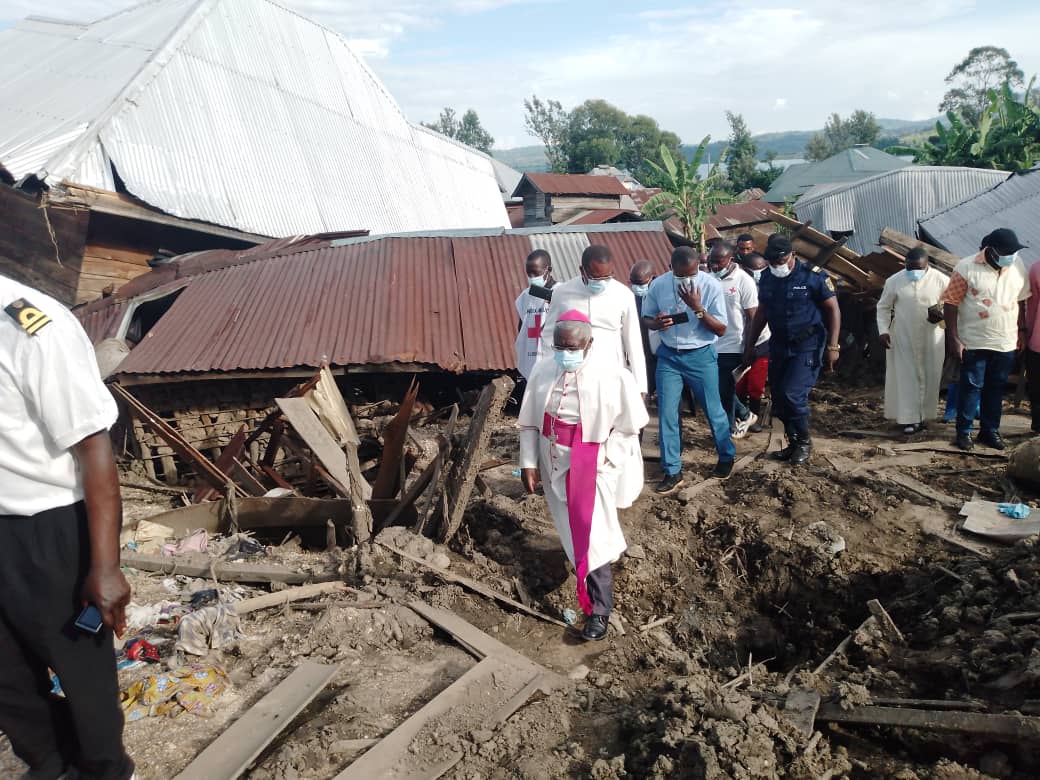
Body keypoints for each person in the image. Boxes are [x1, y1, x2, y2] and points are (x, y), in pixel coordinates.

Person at [0, 274, 134, 780]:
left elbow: (94, 448)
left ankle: (106, 771)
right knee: (7, 680)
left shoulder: (30, 325)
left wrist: (105, 566)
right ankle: (52, 765)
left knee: (83, 679)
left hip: (48, 530)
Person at [519, 311, 648, 641]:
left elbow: (630, 427)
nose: (565, 353)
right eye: (560, 346)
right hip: (553, 460)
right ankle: (582, 579)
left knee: (593, 536)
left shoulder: (613, 375)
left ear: (589, 344)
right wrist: (528, 463)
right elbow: (531, 423)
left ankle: (600, 610)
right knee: (571, 530)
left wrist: (606, 456)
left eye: (573, 347)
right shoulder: (544, 369)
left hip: (591, 461)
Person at [642, 246, 736, 492]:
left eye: (692, 274)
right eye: (681, 276)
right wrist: (656, 322)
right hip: (669, 357)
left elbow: (721, 329)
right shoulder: (659, 285)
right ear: (671, 268)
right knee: (667, 413)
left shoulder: (711, 285)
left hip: (701, 355)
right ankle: (672, 470)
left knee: (713, 410)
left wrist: (697, 307)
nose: (687, 280)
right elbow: (646, 318)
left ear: (698, 268)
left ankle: (726, 456)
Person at [743, 234, 841, 465]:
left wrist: (833, 346)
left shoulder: (812, 277)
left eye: (780, 260)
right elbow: (762, 314)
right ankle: (793, 442)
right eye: (772, 261)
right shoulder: (767, 278)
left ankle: (805, 443)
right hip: (779, 344)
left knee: (792, 394)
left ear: (792, 255)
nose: (777, 265)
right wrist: (750, 344)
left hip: (807, 344)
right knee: (779, 397)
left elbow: (833, 310)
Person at [942, 228, 1031, 451]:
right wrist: (953, 338)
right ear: (991, 251)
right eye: (1007, 252)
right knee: (971, 387)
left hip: (1006, 341)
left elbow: (1021, 301)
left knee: (996, 387)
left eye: (1014, 252)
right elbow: (950, 303)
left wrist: (1021, 330)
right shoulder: (966, 267)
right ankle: (964, 432)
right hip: (974, 340)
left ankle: (990, 431)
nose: (1011, 256)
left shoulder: (1017, 266)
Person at [541, 244, 647, 396]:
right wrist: (549, 371)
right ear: (581, 270)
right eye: (595, 277)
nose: (601, 282)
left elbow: (633, 342)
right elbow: (548, 334)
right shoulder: (562, 293)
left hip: (611, 373)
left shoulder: (624, 295)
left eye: (607, 276)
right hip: (572, 375)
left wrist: (640, 385)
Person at [876, 248, 949, 434]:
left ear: (927, 265)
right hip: (903, 336)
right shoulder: (894, 281)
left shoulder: (941, 280)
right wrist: (883, 331)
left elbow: (953, 306)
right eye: (910, 268)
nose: (913, 272)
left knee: (931, 375)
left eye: (918, 268)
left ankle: (926, 417)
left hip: (932, 336)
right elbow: (883, 307)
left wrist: (942, 317)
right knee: (907, 378)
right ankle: (909, 419)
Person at [706, 241, 766, 438]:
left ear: (730, 259)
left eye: (719, 262)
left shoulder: (743, 280)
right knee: (719, 387)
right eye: (711, 262)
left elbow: (753, 317)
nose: (714, 266)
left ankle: (731, 425)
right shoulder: (709, 279)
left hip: (735, 343)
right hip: (714, 343)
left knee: (723, 386)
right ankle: (744, 414)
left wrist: (748, 348)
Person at [736, 252, 770, 433]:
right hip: (740, 342)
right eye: (754, 270)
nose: (758, 273)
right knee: (740, 383)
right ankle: (742, 416)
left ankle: (754, 417)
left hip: (761, 342)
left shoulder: (767, 287)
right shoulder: (739, 284)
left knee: (756, 384)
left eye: (761, 269)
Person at [514, 249, 557, 380]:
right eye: (529, 273)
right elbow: (522, 329)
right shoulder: (525, 296)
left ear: (548, 270)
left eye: (536, 273)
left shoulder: (561, 292)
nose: (532, 277)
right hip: (532, 359)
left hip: (553, 359)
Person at [629, 259, 660, 398]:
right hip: (641, 347)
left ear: (653, 277)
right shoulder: (629, 297)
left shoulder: (663, 294)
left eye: (640, 283)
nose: (636, 287)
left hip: (661, 348)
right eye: (633, 283)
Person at [1026, 254, 1040, 434]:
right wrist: (1026, 335)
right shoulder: (1036, 269)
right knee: (1037, 389)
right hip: (1037, 342)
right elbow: (1032, 306)